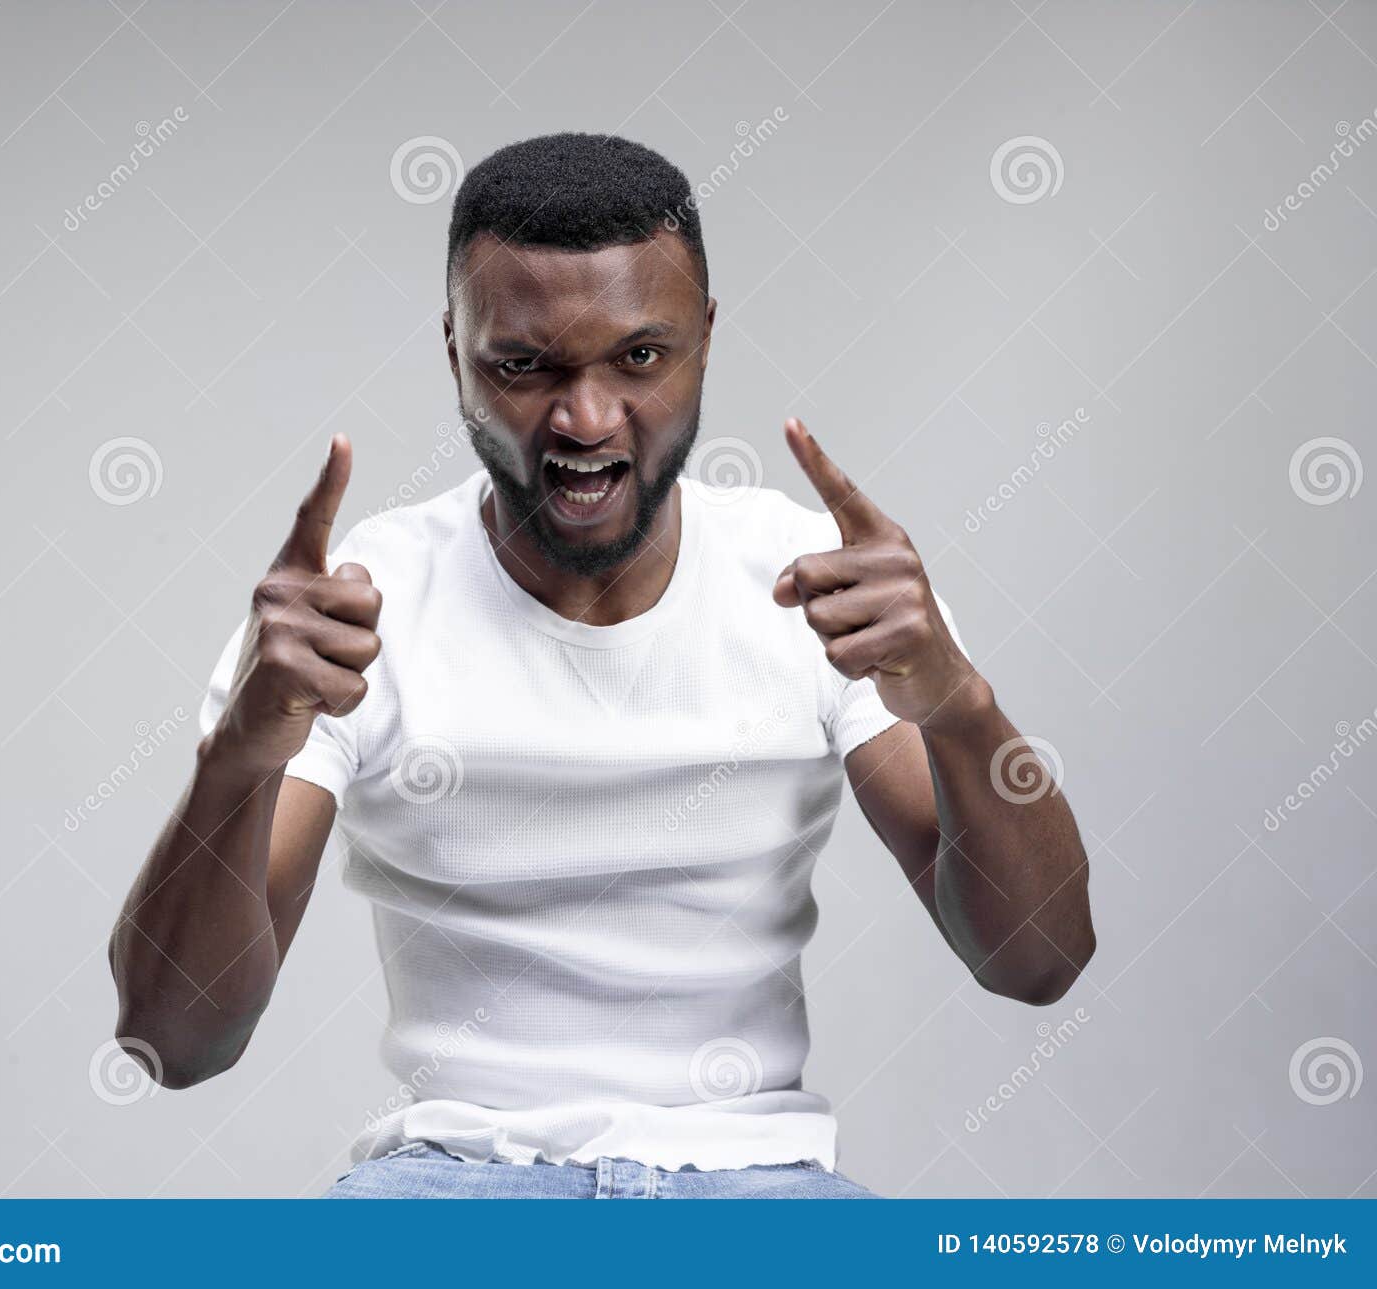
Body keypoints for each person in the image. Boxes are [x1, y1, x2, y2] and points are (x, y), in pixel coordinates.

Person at [108, 132, 1096, 1200]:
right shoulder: (353, 612)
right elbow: (177, 1040)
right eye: (524, 365)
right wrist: (238, 759)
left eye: (639, 356)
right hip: (450, 1184)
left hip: (757, 1177)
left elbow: (1036, 960)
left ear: (705, 341)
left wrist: (958, 705)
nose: (585, 420)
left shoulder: (818, 585)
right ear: (456, 355)